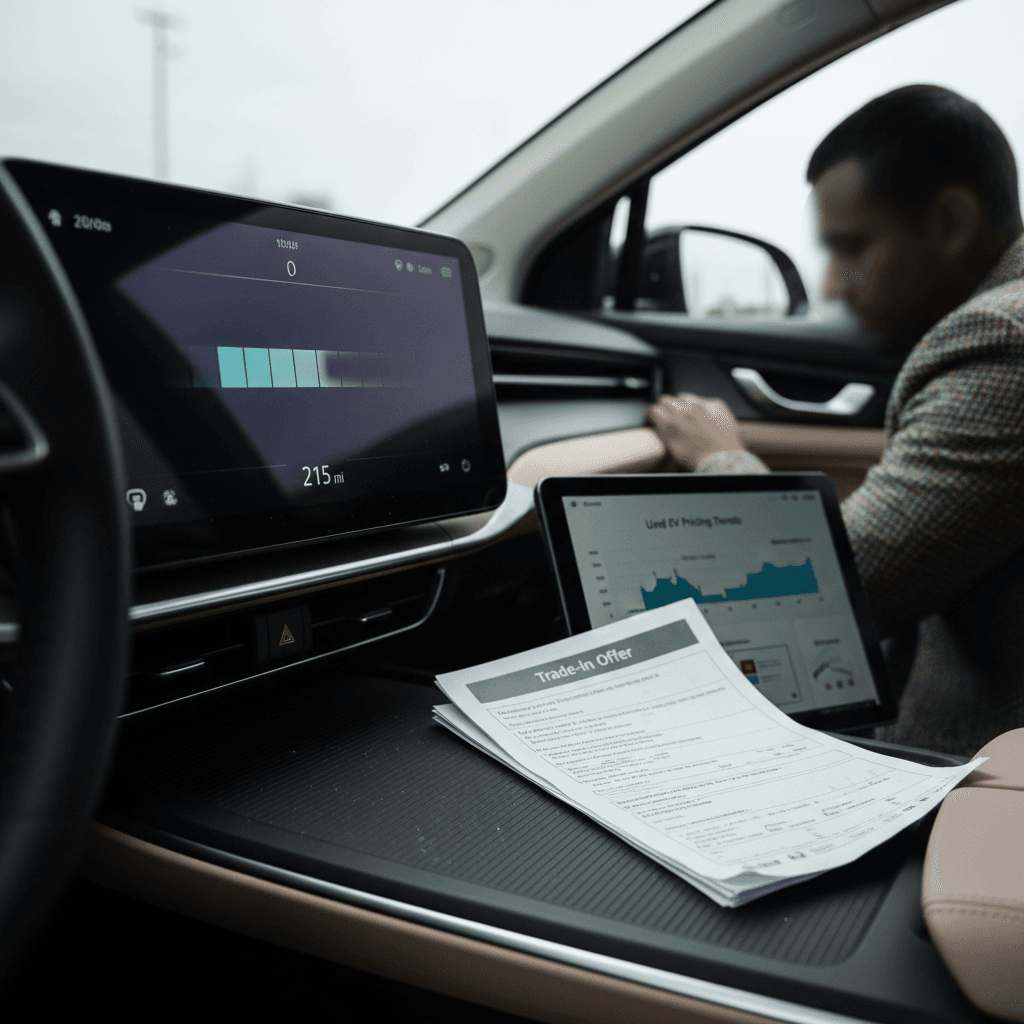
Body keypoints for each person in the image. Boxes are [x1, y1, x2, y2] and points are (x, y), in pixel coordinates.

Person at [646, 85, 1024, 757]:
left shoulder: (1003, 336)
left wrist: (718, 456)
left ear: (952, 222)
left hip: (978, 802)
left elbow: (834, 586)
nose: (830, 286)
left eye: (852, 246)